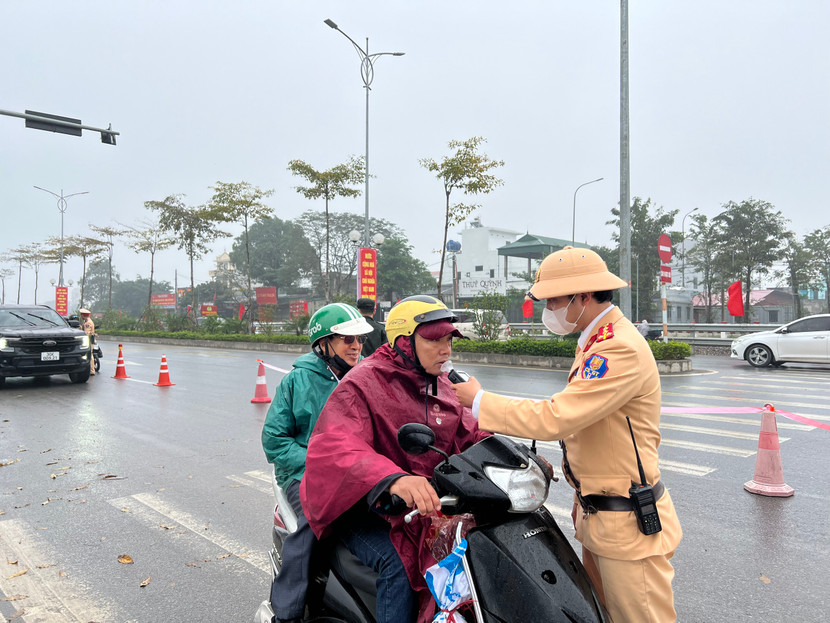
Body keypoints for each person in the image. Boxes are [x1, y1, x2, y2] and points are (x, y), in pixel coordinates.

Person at [452, 246, 682, 623]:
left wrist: (480, 402)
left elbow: (558, 418)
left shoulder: (617, 347)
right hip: (603, 517)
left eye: (554, 300)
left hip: (627, 526)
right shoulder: (596, 341)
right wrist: (582, 489)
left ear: (584, 296)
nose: (549, 310)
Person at [300, 295, 489, 623]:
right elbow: (337, 445)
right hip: (367, 510)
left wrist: (504, 454)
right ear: (404, 342)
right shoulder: (363, 383)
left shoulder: (443, 384)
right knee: (399, 568)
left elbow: (470, 432)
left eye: (448, 340)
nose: (446, 350)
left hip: (429, 508)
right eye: (435, 341)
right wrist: (393, 479)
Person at [261, 303, 373, 623]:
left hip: (357, 468)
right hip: (304, 472)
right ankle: (287, 612)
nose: (355, 347)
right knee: (314, 521)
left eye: (359, 340)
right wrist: (318, 464)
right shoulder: (297, 381)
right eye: (346, 340)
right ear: (323, 344)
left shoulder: (367, 374)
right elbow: (274, 441)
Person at [79, 308, 96, 376]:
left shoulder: (88, 323)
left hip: (88, 340)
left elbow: (86, 333)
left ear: (83, 315)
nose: (81, 316)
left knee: (90, 354)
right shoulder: (86, 321)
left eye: (81, 315)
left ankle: (92, 370)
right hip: (89, 340)